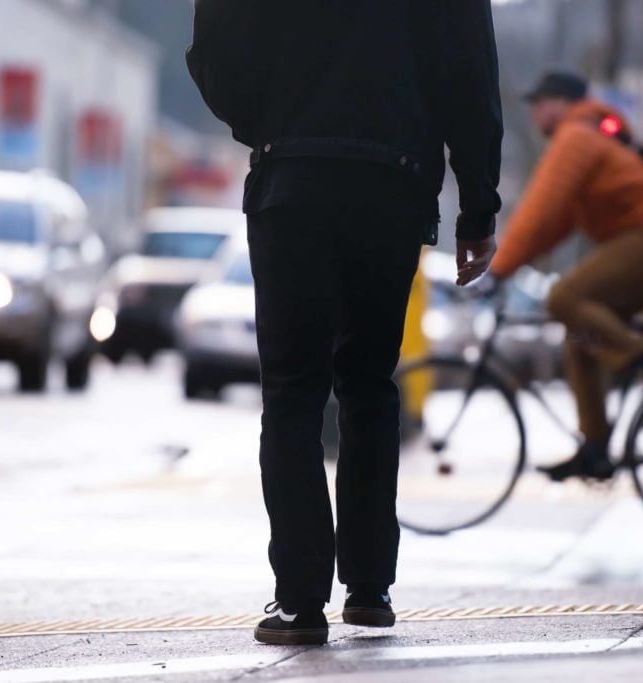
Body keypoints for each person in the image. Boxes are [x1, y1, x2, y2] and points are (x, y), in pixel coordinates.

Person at [187, 0, 503, 645]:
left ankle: (300, 603)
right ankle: (369, 589)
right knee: (368, 382)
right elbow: (469, 73)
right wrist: (478, 207)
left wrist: (267, 118)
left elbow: (215, 43)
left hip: (293, 175)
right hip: (395, 182)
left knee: (293, 390)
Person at [487, 71, 643, 482]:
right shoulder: (591, 136)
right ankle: (595, 449)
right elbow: (553, 225)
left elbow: (539, 209)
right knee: (581, 337)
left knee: (562, 299)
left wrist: (499, 269)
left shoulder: (577, 137)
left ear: (562, 102)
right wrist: (512, 264)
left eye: (540, 101)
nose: (535, 111)